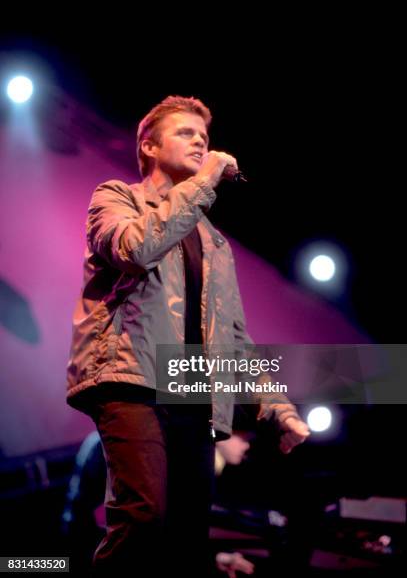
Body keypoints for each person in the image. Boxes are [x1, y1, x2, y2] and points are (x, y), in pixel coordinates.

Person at [66, 95, 310, 576]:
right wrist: (202, 183)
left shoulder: (216, 244)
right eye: (185, 133)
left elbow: (234, 341)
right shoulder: (117, 197)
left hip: (193, 391)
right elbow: (135, 248)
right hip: (130, 378)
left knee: (185, 537)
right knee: (144, 518)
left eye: (205, 136)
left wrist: (277, 409)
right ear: (150, 146)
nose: (200, 141)